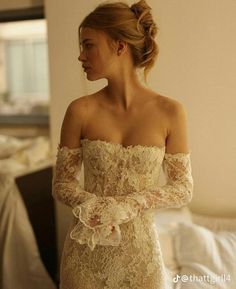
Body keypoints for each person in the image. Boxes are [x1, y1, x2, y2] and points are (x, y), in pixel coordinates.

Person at [52, 1, 194, 288]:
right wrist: (92, 204)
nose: (80, 56)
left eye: (88, 45)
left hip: (140, 257)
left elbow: (183, 187)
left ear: (119, 46)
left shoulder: (170, 112)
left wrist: (132, 204)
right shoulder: (80, 111)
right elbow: (62, 183)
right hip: (85, 255)